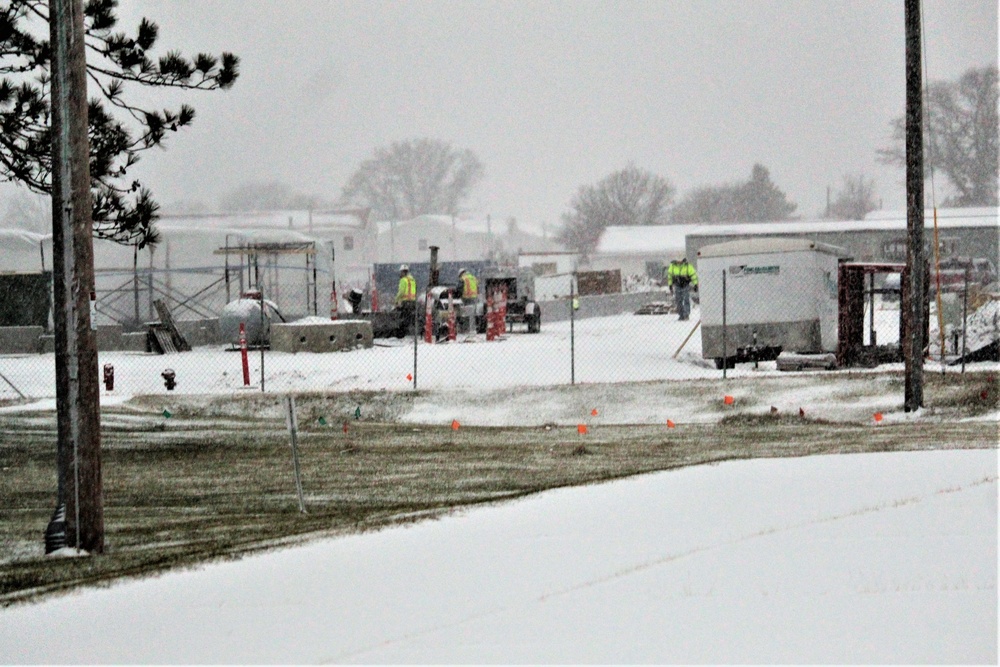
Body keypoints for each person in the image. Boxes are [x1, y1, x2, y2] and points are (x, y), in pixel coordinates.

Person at [395, 264, 417, 334]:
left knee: (403, 317)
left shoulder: (403, 280)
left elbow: (401, 292)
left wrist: (396, 299)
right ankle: (413, 332)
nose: (400, 273)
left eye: (401, 272)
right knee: (410, 317)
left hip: (406, 302)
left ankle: (402, 332)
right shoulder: (412, 280)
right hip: (413, 302)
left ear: (403, 272)